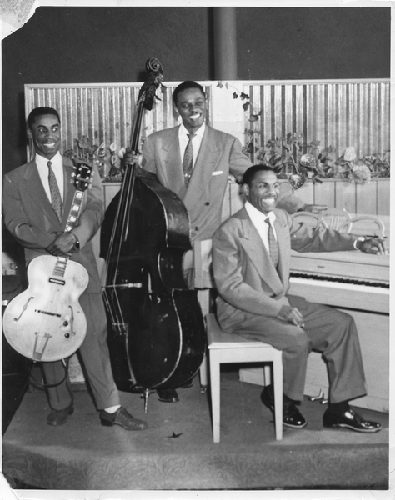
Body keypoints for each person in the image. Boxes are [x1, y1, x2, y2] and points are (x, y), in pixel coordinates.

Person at [125, 80, 325, 404]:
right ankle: (169, 374)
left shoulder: (225, 143)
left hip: (205, 241)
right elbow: (143, 187)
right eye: (186, 104)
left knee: (194, 307)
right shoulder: (155, 142)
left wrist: (300, 205)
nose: (193, 110)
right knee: (166, 307)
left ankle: (189, 366)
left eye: (198, 103)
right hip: (165, 241)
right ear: (176, 108)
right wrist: (132, 170)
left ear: (206, 103)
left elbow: (257, 177)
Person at [2, 107, 147, 431]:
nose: (49, 136)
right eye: (42, 130)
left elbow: (96, 209)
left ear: (61, 130)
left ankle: (111, 407)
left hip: (81, 266)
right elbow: (15, 224)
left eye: (54, 129)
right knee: (47, 336)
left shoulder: (82, 169)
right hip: (41, 270)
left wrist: (76, 237)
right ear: (31, 134)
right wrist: (54, 240)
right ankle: (60, 403)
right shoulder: (13, 179)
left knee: (94, 334)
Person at [212, 164, 385, 432]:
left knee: (341, 324)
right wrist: (279, 311)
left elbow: (312, 236)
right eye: (263, 186)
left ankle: (339, 410)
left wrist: (355, 242)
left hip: (278, 302)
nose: (271, 192)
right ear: (245, 190)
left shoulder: (280, 218)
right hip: (241, 310)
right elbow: (231, 288)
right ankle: (280, 398)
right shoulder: (230, 229)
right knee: (296, 338)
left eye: (274, 185)